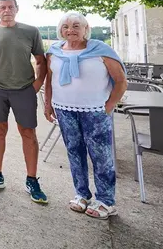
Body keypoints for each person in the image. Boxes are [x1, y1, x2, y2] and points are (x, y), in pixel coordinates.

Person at [45, 12, 127, 219]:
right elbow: (50, 79)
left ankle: (106, 200)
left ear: (85, 28)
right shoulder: (54, 51)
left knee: (101, 155)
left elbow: (120, 81)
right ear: (60, 30)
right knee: (74, 151)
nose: (70, 30)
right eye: (65, 26)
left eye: (75, 26)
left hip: (95, 110)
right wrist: (48, 104)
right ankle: (81, 193)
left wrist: (109, 106)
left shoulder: (101, 50)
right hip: (64, 108)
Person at [0, 0, 49, 203]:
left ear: (17, 9)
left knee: (28, 133)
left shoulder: (30, 31)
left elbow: (40, 61)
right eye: (2, 7)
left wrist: (36, 85)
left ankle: (32, 179)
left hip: (23, 89)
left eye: (10, 7)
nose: (7, 10)